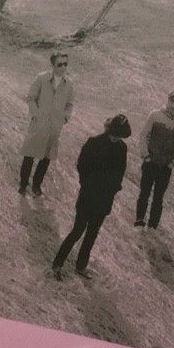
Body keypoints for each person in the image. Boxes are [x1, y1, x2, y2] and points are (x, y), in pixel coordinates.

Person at [52, 114, 132, 280]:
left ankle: (81, 266)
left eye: (120, 136)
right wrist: (88, 184)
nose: (116, 138)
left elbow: (120, 171)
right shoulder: (94, 142)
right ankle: (57, 264)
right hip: (88, 196)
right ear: (108, 130)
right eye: (114, 134)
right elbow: (82, 165)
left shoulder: (122, 148)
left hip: (105, 198)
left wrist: (114, 188)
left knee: (92, 234)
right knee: (77, 231)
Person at [18, 51, 74, 197]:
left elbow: (70, 104)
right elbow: (31, 98)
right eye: (60, 64)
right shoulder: (41, 78)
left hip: (55, 126)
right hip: (39, 124)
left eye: (65, 64)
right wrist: (36, 114)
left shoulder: (69, 84)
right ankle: (23, 185)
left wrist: (65, 118)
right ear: (53, 65)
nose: (63, 67)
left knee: (46, 157)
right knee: (29, 154)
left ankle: (37, 185)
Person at [134, 90, 174, 230]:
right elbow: (143, 134)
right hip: (150, 162)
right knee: (144, 192)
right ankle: (139, 221)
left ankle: (153, 225)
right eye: (172, 101)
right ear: (168, 100)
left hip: (166, 166)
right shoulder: (155, 115)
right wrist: (145, 155)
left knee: (159, 196)